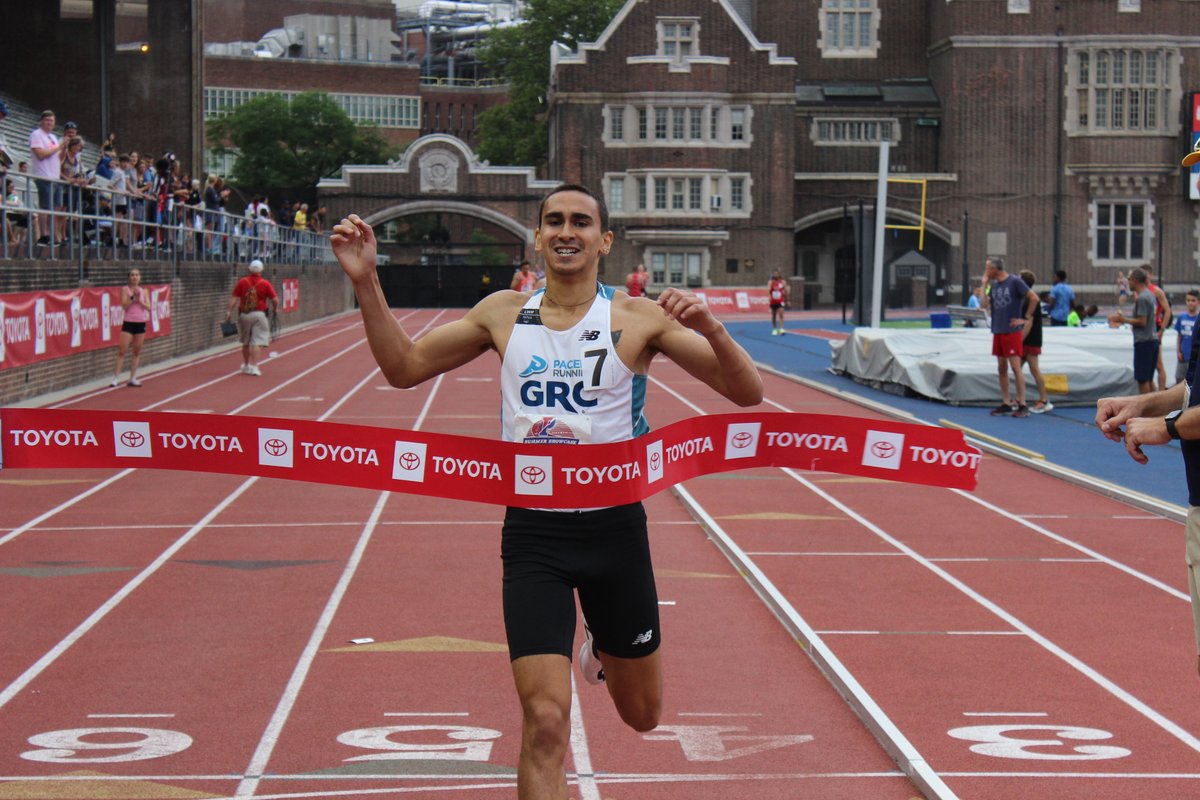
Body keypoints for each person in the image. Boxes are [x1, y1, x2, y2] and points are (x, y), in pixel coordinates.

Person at [330, 183, 763, 800]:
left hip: (615, 531)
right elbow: (403, 369)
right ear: (537, 236)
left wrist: (712, 328)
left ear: (603, 240)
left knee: (643, 715)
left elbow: (746, 393)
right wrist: (367, 280)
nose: (566, 231)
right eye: (554, 221)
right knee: (544, 722)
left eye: (580, 222)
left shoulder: (638, 318)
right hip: (535, 535)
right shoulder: (502, 313)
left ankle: (603, 645)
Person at [981, 256, 1038, 417]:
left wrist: (1025, 317)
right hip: (998, 329)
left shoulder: (1014, 281)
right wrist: (984, 284)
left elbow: (1033, 297)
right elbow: (983, 304)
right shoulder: (994, 285)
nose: (986, 271)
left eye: (987, 268)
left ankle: (1022, 403)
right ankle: (1006, 402)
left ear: (995, 269)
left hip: (1011, 331)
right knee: (1001, 367)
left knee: (1015, 367)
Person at [1107, 267, 1158, 394]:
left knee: (1143, 380)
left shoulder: (1142, 298)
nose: (1128, 282)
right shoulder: (1150, 295)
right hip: (1152, 340)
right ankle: (1156, 404)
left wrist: (1121, 319)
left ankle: (1147, 406)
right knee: (1149, 379)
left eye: (1129, 279)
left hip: (1144, 342)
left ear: (1135, 280)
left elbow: (1142, 321)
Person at [225, 258, 279, 376]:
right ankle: (254, 366)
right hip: (259, 314)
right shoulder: (265, 283)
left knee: (246, 342)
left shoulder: (242, 282)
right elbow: (275, 300)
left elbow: (234, 298)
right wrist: (275, 309)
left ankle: (246, 365)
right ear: (261, 270)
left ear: (250, 269)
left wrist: (229, 311)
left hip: (244, 314)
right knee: (256, 341)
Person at [28, 110, 67, 246]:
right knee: (45, 207)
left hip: (55, 176)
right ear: (41, 121)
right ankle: (43, 236)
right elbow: (41, 154)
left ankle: (54, 236)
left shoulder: (53, 137)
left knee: (55, 208)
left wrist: (63, 149)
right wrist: (59, 147)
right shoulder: (36, 134)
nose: (49, 123)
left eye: (52, 120)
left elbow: (59, 158)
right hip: (44, 176)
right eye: (47, 120)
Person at [1019, 270, 1052, 413]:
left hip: (1031, 339)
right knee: (1017, 369)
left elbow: (1029, 322)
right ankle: (1020, 399)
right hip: (1027, 338)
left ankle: (1044, 400)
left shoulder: (1030, 299)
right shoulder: (1025, 297)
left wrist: (1019, 340)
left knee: (1034, 369)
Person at [112, 268, 151, 387]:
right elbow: (124, 306)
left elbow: (149, 307)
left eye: (137, 275)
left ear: (140, 277)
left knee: (136, 351)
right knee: (122, 350)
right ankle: (116, 378)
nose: (135, 277)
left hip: (140, 322)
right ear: (129, 277)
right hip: (128, 322)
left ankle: (132, 378)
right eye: (132, 275)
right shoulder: (125, 289)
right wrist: (133, 297)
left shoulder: (144, 290)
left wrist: (140, 301)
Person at [1144, 264, 1172, 392]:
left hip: (1155, 328)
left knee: (1158, 364)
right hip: (1144, 330)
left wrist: (1162, 330)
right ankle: (1152, 394)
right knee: (1147, 365)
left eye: (1145, 274)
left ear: (1150, 275)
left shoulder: (1156, 291)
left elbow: (1167, 311)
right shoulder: (1139, 291)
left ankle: (1161, 394)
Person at [1177, 290, 1200, 385]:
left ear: (1198, 302)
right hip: (1183, 355)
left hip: (1194, 357)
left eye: (1193, 300)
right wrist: (1178, 351)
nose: (1190, 303)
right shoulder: (1181, 317)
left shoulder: (1198, 318)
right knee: (1179, 379)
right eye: (1188, 300)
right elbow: (1179, 336)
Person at [767, 269, 789, 335]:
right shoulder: (771, 282)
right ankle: (774, 329)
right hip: (773, 301)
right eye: (774, 274)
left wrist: (787, 300)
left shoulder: (783, 282)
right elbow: (768, 291)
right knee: (774, 315)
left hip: (780, 300)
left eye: (777, 274)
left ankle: (781, 328)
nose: (776, 275)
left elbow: (786, 291)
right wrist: (769, 297)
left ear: (779, 274)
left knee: (781, 314)